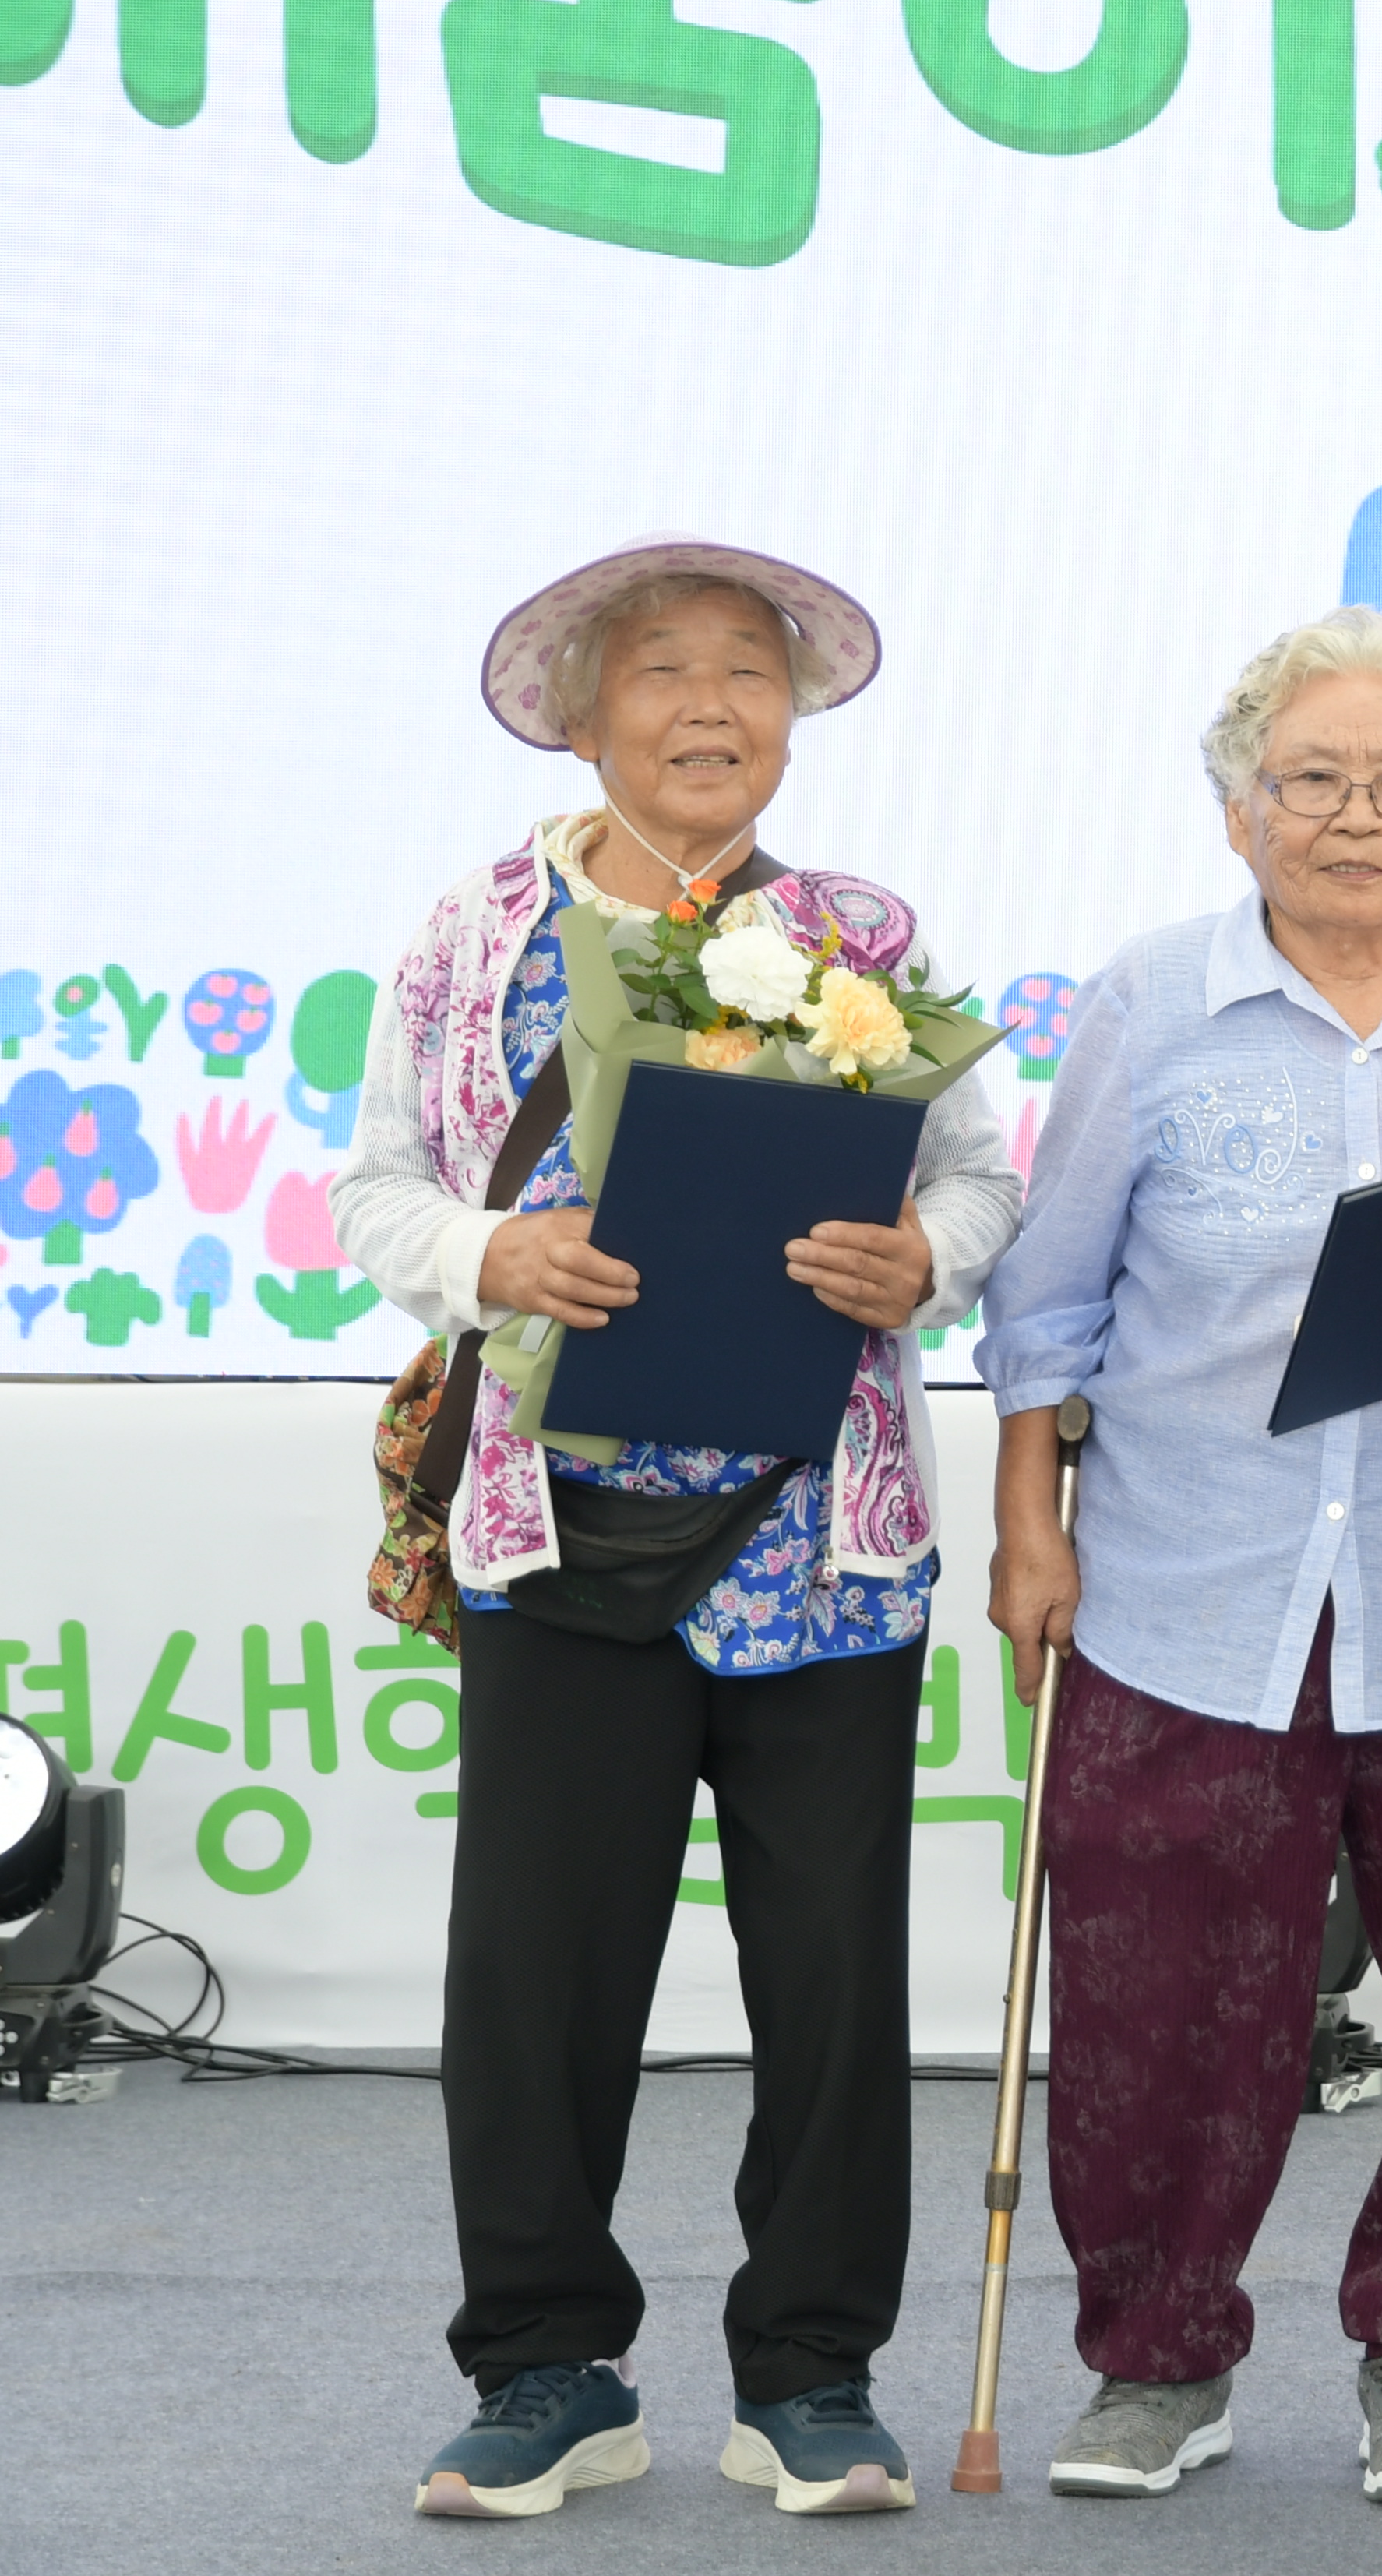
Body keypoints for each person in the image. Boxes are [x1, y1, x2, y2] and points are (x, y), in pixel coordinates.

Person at [336, 539, 1019, 2518]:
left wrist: (924, 1256)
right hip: (558, 1528)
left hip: (821, 1542)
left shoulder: (863, 931)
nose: (712, 703)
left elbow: (980, 1180)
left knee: (834, 1976)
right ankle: (547, 2365)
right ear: (579, 714)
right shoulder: (470, 935)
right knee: (534, 1975)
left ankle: (812, 2373)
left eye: (750, 668)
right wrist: (491, 1251)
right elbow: (375, 1193)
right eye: (663, 668)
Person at [976, 606, 1382, 2509]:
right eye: (1310, 778)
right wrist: (1025, 1523)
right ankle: (1158, 2358)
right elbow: (1047, 1298)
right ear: (1237, 809)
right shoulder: (1151, 1001)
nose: (1356, 815)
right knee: (1159, 2008)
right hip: (1186, 1591)